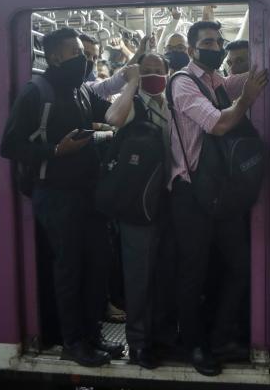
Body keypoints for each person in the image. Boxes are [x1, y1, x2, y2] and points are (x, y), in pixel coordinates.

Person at [0, 27, 124, 367]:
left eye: (83, 53)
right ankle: (73, 342)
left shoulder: (80, 90)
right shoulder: (36, 92)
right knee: (70, 269)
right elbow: (9, 146)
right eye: (75, 53)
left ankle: (93, 334)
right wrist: (55, 150)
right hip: (56, 195)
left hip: (88, 193)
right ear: (54, 57)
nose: (83, 59)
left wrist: (134, 83)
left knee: (97, 264)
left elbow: (110, 113)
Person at [168, 20, 268, 376]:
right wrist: (247, 99)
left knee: (239, 265)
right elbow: (217, 123)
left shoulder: (216, 80)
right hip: (190, 193)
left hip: (219, 191)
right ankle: (193, 345)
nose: (216, 46)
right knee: (193, 273)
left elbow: (243, 80)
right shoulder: (182, 83)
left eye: (217, 41)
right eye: (208, 42)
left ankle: (221, 336)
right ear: (191, 49)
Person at [104, 52, 174, 370]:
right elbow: (113, 119)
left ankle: (162, 338)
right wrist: (131, 83)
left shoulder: (172, 103)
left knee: (164, 274)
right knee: (139, 277)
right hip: (137, 204)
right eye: (146, 71)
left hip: (169, 200)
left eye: (158, 70)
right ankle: (139, 344)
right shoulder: (133, 103)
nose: (153, 75)